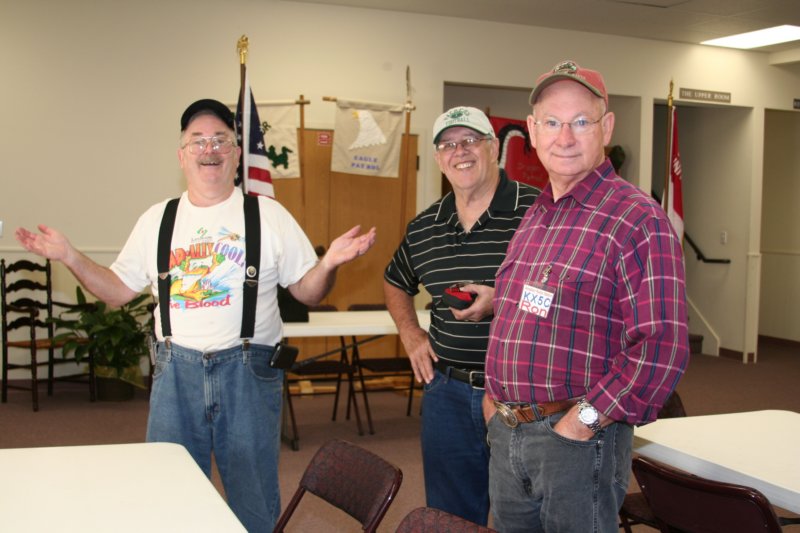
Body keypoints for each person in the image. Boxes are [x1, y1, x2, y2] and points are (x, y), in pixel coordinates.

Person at [16, 98, 376, 532]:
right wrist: (70, 256)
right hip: (176, 374)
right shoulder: (157, 219)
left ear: (236, 153)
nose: (210, 149)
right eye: (198, 141)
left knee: (253, 501)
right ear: (182, 155)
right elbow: (116, 291)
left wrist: (329, 263)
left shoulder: (269, 215)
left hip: (248, 373)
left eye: (221, 140)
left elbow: (308, 292)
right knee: (169, 496)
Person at [481, 60, 689, 533]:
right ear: (533, 131)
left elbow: (662, 346)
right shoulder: (537, 214)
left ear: (606, 128)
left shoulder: (638, 219)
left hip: (576, 442)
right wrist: (494, 401)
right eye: (551, 122)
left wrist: (581, 423)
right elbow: (517, 311)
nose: (565, 137)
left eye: (580, 122)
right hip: (508, 434)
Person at [384, 106, 539, 525]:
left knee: (522, 514)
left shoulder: (538, 212)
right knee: (450, 517)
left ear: (493, 148)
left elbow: (564, 295)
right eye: (448, 145)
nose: (460, 151)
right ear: (438, 159)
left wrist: (502, 299)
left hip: (521, 393)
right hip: (447, 393)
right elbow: (395, 281)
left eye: (470, 140)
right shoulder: (425, 226)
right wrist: (411, 334)